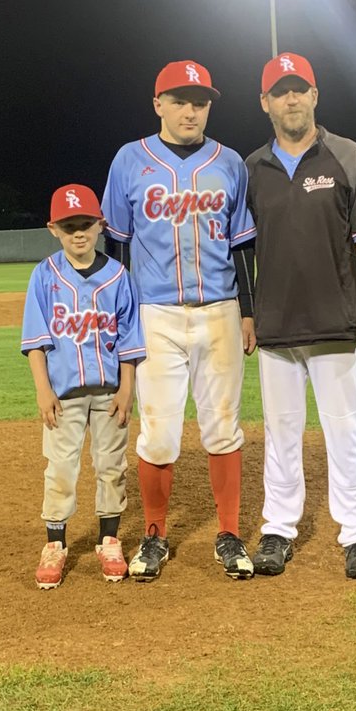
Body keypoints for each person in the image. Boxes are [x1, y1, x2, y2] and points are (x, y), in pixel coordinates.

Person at [101, 60, 258, 581]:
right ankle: (154, 535)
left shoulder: (229, 162)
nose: (191, 111)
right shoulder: (130, 160)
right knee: (158, 434)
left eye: (200, 102)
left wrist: (249, 311)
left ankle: (229, 533)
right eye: (179, 100)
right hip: (155, 314)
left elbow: (242, 244)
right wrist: (119, 320)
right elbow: (117, 246)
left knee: (223, 427)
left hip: (221, 310)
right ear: (158, 105)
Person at [244, 53, 356, 580]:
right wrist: (247, 314)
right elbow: (240, 250)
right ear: (265, 103)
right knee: (280, 432)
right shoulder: (251, 169)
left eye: (299, 89)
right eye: (279, 91)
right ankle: (278, 528)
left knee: (345, 430)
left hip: (337, 322)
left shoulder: (347, 156)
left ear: (314, 95)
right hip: (277, 326)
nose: (290, 99)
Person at [21, 184, 145, 590]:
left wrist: (127, 388)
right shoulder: (44, 275)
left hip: (110, 392)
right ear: (53, 229)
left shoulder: (119, 277)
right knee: (60, 468)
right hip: (63, 394)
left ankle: (109, 539)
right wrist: (42, 390)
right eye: (69, 225)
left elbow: (129, 339)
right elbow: (36, 341)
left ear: (100, 225)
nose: (79, 233)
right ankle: (55, 543)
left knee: (112, 466)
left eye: (86, 224)